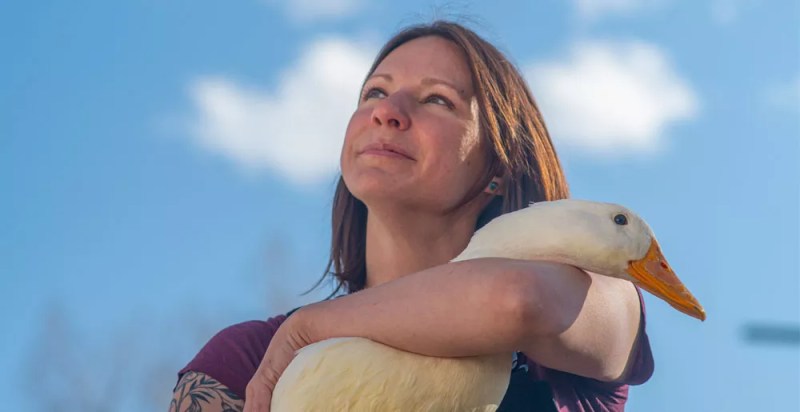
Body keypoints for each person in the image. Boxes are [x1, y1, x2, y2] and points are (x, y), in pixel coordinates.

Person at [170, 20, 654, 412]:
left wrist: (309, 330)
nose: (388, 112)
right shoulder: (246, 357)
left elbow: (514, 298)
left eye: (437, 99)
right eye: (375, 93)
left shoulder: (588, 304)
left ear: (500, 170)